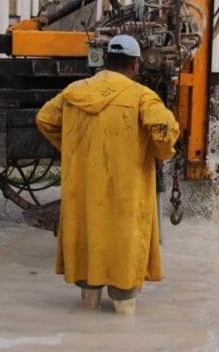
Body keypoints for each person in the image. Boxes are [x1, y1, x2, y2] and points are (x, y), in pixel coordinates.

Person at [36, 34, 180, 315]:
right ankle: (121, 330)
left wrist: (73, 148)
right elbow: (164, 129)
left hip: (85, 190)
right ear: (135, 65)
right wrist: (159, 154)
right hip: (126, 192)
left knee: (88, 266)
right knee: (124, 272)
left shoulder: (74, 91)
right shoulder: (140, 96)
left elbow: (44, 119)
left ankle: (87, 324)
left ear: (105, 59)